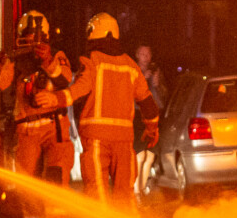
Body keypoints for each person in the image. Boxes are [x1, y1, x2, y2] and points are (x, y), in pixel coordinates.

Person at [35, 13, 158, 208]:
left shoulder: (92, 61)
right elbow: (148, 103)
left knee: (97, 193)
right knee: (125, 196)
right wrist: (152, 129)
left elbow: (79, 89)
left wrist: (55, 99)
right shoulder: (131, 66)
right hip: (124, 142)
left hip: (96, 140)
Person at [0, 11, 74, 218]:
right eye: (26, 37)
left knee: (57, 180)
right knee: (28, 184)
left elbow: (65, 80)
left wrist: (47, 62)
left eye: (34, 37)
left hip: (54, 126)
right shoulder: (16, 60)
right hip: (26, 129)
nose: (30, 42)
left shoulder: (58, 57)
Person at [132, 44, 168, 201]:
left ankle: (141, 187)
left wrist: (157, 84)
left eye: (148, 54)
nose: (146, 58)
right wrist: (143, 79)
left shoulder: (156, 71)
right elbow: (130, 94)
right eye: (142, 54)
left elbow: (165, 95)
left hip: (155, 114)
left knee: (150, 157)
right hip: (139, 115)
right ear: (137, 56)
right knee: (140, 155)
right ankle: (136, 190)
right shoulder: (133, 72)